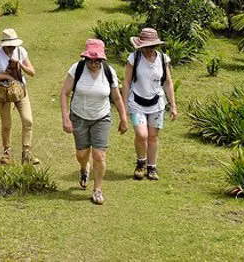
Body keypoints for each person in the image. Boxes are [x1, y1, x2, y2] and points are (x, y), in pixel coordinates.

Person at [59, 39, 129, 205]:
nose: (93, 64)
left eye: (97, 60)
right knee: (82, 154)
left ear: (102, 59)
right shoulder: (77, 69)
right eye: (90, 60)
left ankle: (97, 189)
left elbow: (117, 97)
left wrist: (123, 118)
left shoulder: (108, 71)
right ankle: (84, 168)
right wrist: (65, 117)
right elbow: (64, 93)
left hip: (102, 117)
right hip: (79, 116)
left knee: (99, 155)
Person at [122, 27, 178, 181]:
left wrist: (173, 104)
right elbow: (126, 82)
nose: (148, 50)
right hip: (136, 102)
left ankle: (152, 167)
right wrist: (124, 105)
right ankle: (141, 162)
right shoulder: (134, 58)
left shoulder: (162, 59)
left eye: (151, 46)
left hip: (157, 102)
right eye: (145, 47)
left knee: (153, 136)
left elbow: (167, 82)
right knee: (142, 134)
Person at [0, 28, 38, 165]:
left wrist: (21, 66)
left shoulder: (21, 51)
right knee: (6, 124)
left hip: (20, 90)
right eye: (9, 45)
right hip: (3, 92)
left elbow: (32, 72)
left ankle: (26, 152)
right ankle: (6, 152)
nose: (11, 47)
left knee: (28, 120)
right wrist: (5, 76)